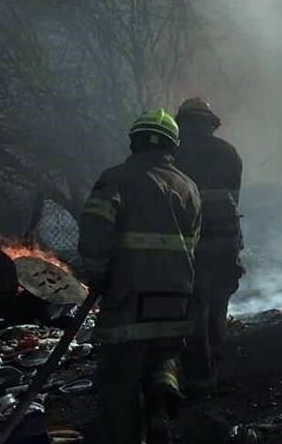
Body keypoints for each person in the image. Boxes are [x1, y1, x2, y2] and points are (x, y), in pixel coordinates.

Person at [79, 109, 201, 444]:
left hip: (128, 299)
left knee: (119, 382)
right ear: (172, 146)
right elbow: (192, 248)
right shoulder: (189, 187)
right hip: (175, 301)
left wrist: (99, 276)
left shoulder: (115, 178)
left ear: (134, 141)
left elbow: (93, 233)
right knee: (162, 360)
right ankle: (160, 408)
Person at [173, 97, 244, 391]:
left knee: (195, 307)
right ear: (210, 123)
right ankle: (216, 362)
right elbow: (233, 197)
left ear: (184, 124)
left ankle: (200, 376)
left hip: (194, 243)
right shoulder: (229, 152)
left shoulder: (174, 155)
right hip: (227, 240)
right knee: (218, 304)